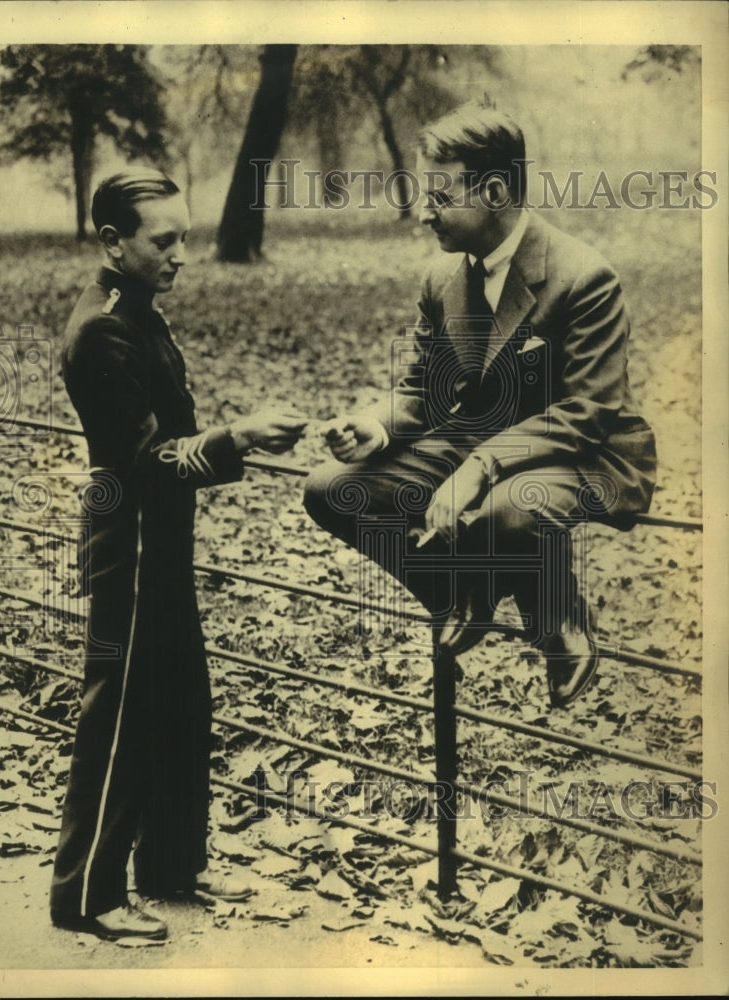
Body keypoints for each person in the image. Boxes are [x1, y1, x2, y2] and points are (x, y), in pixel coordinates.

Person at [304, 104, 656, 707]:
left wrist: (479, 466)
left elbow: (588, 412)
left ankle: (558, 618)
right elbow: (424, 389)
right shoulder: (442, 278)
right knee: (331, 487)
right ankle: (463, 592)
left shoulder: (584, 277)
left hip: (582, 452)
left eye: (438, 196)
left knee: (503, 510)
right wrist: (373, 425)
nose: (423, 214)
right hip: (479, 438)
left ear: (495, 192)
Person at [50, 168, 307, 941]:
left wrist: (233, 440)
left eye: (184, 237)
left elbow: (168, 442)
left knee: (179, 703)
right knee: (121, 715)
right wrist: (238, 439)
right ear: (112, 242)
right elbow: (144, 463)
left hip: (159, 541)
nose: (181, 254)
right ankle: (86, 895)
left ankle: (167, 867)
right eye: (163, 240)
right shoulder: (102, 329)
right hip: (128, 546)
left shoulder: (138, 310)